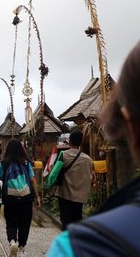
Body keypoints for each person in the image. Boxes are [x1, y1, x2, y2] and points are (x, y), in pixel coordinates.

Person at [47, 42, 140, 256]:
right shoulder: (88, 159)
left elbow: (53, 175)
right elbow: (91, 177)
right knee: (77, 217)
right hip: (80, 195)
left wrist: (51, 185)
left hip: (65, 195)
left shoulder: (84, 246)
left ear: (129, 126)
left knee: (67, 222)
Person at [0, 138, 40, 257]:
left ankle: (12, 241)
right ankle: (21, 248)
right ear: (21, 149)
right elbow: (32, 179)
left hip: (10, 198)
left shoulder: (4, 163)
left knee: (11, 223)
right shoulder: (26, 163)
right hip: (26, 198)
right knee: (25, 223)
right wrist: (37, 196)